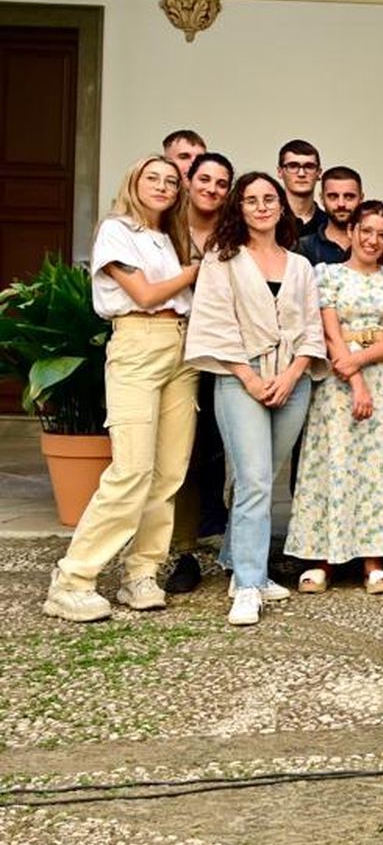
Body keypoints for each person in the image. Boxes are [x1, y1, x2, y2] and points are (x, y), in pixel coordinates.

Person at [42, 157, 200, 623]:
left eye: (171, 181)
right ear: (133, 181)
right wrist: (196, 272)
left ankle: (141, 573)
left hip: (179, 348)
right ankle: (73, 579)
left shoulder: (170, 238)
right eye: (153, 177)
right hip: (137, 344)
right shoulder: (117, 230)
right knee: (131, 469)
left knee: (169, 472)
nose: (163, 186)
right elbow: (147, 295)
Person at [185, 172, 325, 627]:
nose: (262, 206)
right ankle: (249, 584)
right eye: (251, 200)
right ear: (239, 209)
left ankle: (234, 558)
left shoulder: (299, 265)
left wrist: (291, 375)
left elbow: (310, 330)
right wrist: (249, 377)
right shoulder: (222, 259)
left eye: (270, 199)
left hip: (292, 382)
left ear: (282, 207)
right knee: (254, 480)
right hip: (239, 378)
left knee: (263, 477)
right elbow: (215, 324)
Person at [285, 201, 383, 595]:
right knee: (334, 464)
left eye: (381, 234)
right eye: (366, 231)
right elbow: (328, 333)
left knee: (378, 470)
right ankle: (322, 558)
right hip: (336, 382)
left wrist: (357, 362)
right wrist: (355, 378)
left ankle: (373, 559)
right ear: (352, 231)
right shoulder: (325, 275)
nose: (373, 240)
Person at [165, 150, 234, 594]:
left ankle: (235, 546)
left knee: (226, 449)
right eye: (204, 179)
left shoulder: (233, 233)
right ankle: (183, 550)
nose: (211, 189)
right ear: (189, 180)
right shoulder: (163, 230)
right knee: (181, 453)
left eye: (221, 183)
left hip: (228, 353)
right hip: (179, 350)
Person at [295, 166, 362, 267]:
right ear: (322, 199)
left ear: (361, 199)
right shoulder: (304, 247)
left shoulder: (372, 244)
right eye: (333, 196)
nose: (341, 204)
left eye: (349, 197)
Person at [277, 140, 326, 238]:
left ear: (319, 173)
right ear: (280, 172)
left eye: (309, 166)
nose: (301, 174)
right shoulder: (269, 221)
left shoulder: (329, 224)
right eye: (293, 166)